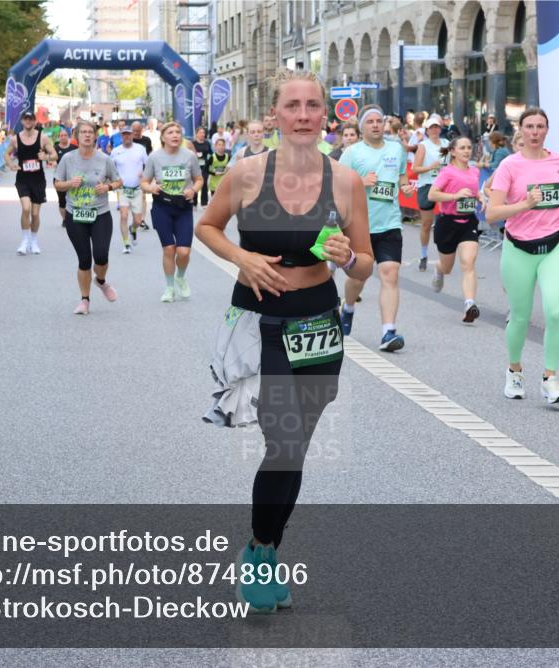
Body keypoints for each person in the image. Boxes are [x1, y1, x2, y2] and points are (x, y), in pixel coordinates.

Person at [195, 68, 371, 614]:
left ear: (325, 115)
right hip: (262, 322)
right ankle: (261, 553)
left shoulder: (345, 181)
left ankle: (262, 547)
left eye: (312, 106)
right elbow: (208, 227)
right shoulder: (247, 174)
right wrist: (242, 258)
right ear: (274, 114)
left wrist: (349, 261)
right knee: (285, 442)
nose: (301, 115)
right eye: (291, 106)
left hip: (318, 322)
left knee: (293, 450)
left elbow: (365, 262)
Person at [486, 107, 559, 404]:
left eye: (540, 127)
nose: (535, 132)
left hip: (554, 245)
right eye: (529, 126)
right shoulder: (509, 166)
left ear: (547, 130)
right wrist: (524, 205)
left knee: (556, 311)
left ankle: (550, 378)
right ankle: (514, 371)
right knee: (520, 317)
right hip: (518, 248)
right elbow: (492, 213)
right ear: (522, 130)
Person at [339, 104, 415, 351]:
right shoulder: (352, 153)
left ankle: (388, 332)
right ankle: (348, 307)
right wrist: (360, 182)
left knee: (390, 274)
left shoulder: (396, 149)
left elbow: (402, 177)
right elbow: (336, 185)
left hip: (390, 223)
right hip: (359, 225)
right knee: (359, 276)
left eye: (378, 121)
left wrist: (405, 187)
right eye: (369, 121)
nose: (375, 125)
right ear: (361, 127)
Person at [53, 119, 121, 315]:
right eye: (83, 132)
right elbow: (57, 184)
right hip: (75, 214)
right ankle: (85, 300)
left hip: (100, 213)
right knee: (84, 259)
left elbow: (118, 181)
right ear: (77, 136)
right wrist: (69, 184)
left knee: (101, 256)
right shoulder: (68, 159)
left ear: (95, 136)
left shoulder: (104, 159)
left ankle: (100, 281)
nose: (87, 135)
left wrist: (108, 187)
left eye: (90, 132)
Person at [141, 122, 203, 302]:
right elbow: (144, 182)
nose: (175, 135)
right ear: (163, 137)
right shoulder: (154, 157)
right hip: (162, 207)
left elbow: (198, 179)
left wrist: (193, 190)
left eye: (178, 132)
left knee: (183, 252)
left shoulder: (189, 156)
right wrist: (150, 187)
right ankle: (169, 288)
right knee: (169, 249)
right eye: (171, 132)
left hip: (183, 207)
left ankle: (180, 277)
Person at [426, 136, 483, 323]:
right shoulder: (447, 172)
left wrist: (481, 198)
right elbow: (432, 194)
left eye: (469, 147)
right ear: (452, 151)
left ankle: (469, 304)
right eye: (462, 148)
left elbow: (475, 192)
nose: (467, 151)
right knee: (448, 267)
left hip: (468, 222)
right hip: (447, 222)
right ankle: (439, 269)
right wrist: (454, 196)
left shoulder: (474, 171)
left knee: (468, 263)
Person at [7, 110, 56, 255]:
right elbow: (6, 154)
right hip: (23, 179)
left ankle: (34, 241)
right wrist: (10, 164)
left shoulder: (43, 138)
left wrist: (45, 157)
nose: (28, 121)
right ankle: (25, 240)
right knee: (26, 208)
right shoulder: (15, 139)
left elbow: (54, 155)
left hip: (38, 180)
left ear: (35, 121)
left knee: (35, 214)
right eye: (26, 119)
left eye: (31, 119)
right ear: (22, 121)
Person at [411, 114, 448, 271]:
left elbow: (452, 163)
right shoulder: (423, 146)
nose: (434, 130)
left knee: (445, 223)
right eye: (431, 127)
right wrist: (431, 167)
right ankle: (424, 255)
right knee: (426, 224)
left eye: (436, 127)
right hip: (427, 185)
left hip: (443, 186)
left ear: (440, 129)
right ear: (427, 130)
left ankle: (445, 255)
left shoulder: (446, 144)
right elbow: (415, 169)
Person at [110, 126, 148, 253]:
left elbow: (148, 165)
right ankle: (126, 244)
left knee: (137, 220)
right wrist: (112, 182)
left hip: (137, 189)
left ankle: (133, 229)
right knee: (124, 215)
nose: (127, 137)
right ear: (121, 137)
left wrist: (144, 176)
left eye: (129, 134)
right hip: (122, 189)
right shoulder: (116, 151)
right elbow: (110, 169)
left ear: (133, 135)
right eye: (124, 135)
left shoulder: (140, 149)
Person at [50, 127, 77, 222]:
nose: (63, 137)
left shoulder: (74, 148)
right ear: (59, 137)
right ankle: (65, 220)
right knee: (62, 201)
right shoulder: (55, 148)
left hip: (72, 177)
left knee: (73, 199)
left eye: (65, 135)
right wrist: (53, 162)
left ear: (68, 137)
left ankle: (72, 218)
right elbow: (51, 159)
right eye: (61, 136)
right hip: (59, 178)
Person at [191, 125, 213, 207]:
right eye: (200, 133)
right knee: (195, 183)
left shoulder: (207, 143)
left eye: (203, 133)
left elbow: (211, 153)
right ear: (196, 134)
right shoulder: (192, 143)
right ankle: (194, 202)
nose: (202, 134)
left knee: (204, 184)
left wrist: (209, 160)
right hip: (195, 166)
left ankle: (204, 203)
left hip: (205, 166)